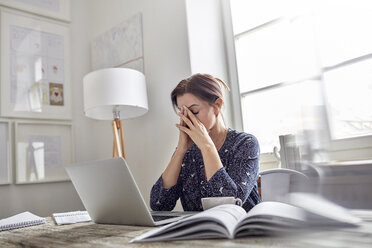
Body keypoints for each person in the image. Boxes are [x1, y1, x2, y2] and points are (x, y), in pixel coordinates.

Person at [150, 73, 260, 212]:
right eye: (183, 113)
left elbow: (230, 203)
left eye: (194, 111)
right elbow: (159, 205)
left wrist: (207, 146)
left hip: (240, 230)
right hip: (199, 231)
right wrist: (180, 151)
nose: (188, 120)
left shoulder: (245, 144)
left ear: (217, 105)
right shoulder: (187, 151)